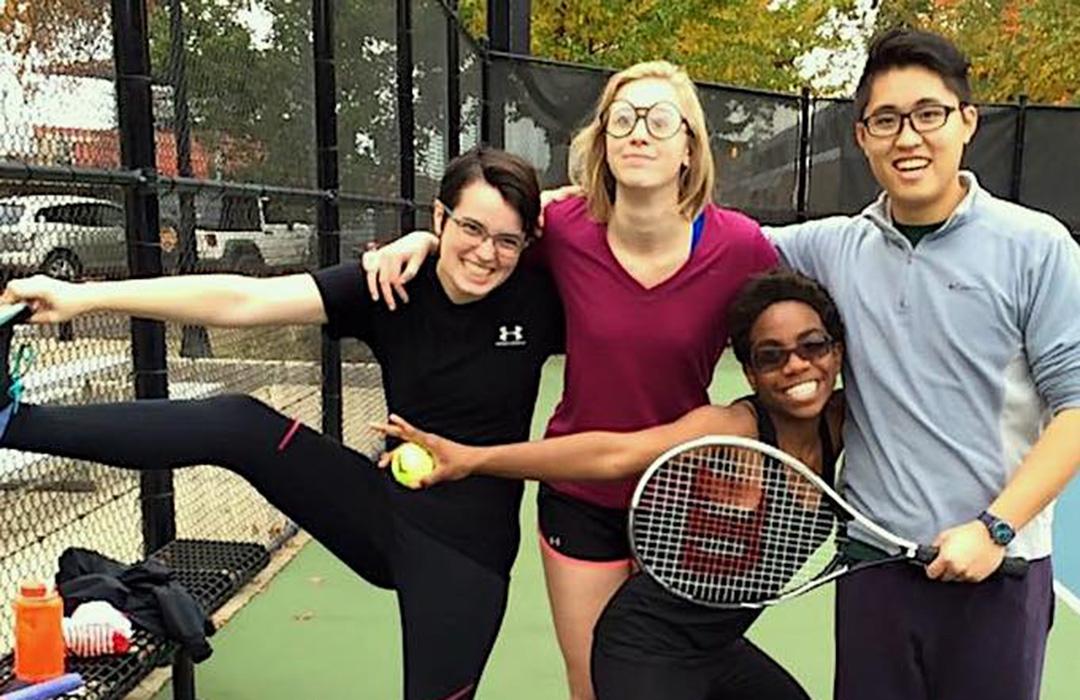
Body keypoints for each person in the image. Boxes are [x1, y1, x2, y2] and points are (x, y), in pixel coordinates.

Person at [0, 146, 565, 700]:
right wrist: (80, 297)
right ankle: (14, 424)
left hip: (466, 551)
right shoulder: (391, 284)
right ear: (440, 217)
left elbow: (612, 213)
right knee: (239, 423)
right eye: (471, 228)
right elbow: (243, 300)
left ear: (526, 242)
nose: (486, 253)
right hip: (377, 509)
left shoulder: (541, 298)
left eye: (507, 240)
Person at [362, 60, 778, 699]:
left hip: (680, 498)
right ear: (603, 143)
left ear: (689, 148)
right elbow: (489, 231)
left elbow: (786, 343)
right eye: (623, 119)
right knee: (593, 687)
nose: (640, 132)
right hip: (579, 497)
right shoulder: (563, 231)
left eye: (660, 120)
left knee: (675, 675)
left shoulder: (741, 247)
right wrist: (421, 239)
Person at [762, 28, 1080, 700]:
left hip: (1000, 574)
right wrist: (573, 208)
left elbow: (1076, 411)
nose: (908, 138)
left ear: (967, 121)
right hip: (875, 571)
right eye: (886, 120)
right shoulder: (834, 247)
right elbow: (704, 241)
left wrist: (993, 530)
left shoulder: (1036, 247)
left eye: (928, 114)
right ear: (863, 136)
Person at [373, 269, 844, 700]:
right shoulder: (731, 428)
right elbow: (611, 453)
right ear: (750, 373)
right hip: (646, 647)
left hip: (718, 647)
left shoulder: (844, 423)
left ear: (836, 352)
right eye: (771, 355)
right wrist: (473, 459)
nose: (797, 365)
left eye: (813, 346)